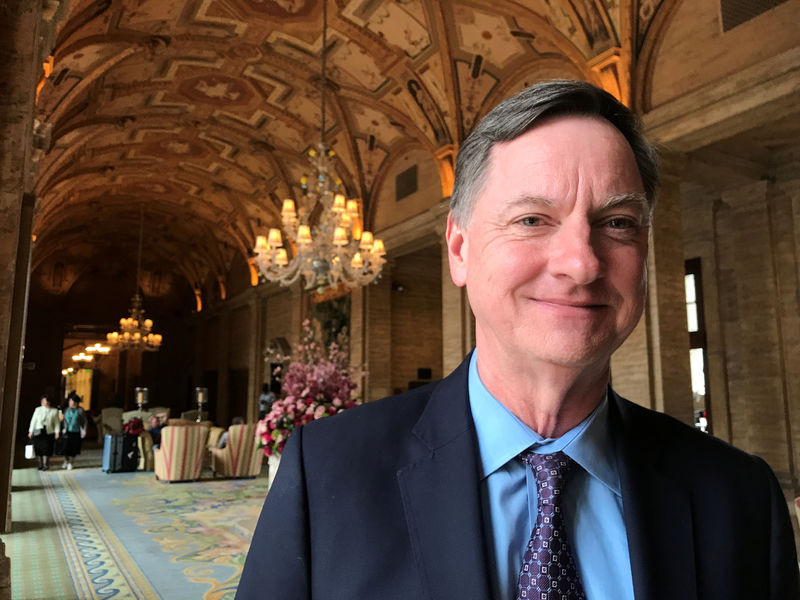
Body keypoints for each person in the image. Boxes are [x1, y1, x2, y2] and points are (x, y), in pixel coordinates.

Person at [236, 80, 799, 599]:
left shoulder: (739, 496)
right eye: (533, 219)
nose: (581, 263)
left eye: (618, 223)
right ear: (459, 249)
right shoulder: (329, 473)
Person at [27, 394, 60, 471]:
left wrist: (57, 432)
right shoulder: (37, 409)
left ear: (49, 402)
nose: (44, 403)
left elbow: (57, 423)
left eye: (46, 401)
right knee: (38, 448)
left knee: (47, 449)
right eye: (43, 401)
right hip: (38, 431)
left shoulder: (54, 411)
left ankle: (46, 464)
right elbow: (33, 421)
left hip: (49, 432)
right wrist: (30, 431)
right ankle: (40, 464)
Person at [61, 392, 87, 470]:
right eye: (69, 401)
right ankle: (66, 460)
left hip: (76, 431)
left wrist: (84, 430)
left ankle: (70, 462)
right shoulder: (67, 410)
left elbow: (84, 421)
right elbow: (64, 420)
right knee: (65, 448)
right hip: (66, 431)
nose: (69, 402)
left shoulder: (80, 410)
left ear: (75, 402)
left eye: (71, 401)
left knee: (73, 448)